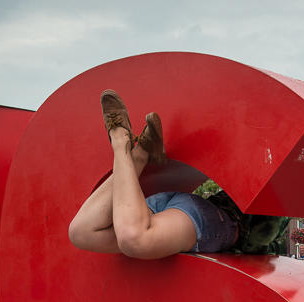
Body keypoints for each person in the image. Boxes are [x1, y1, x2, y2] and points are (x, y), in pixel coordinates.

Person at [70, 91, 284, 259]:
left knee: (81, 232)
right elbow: (260, 240)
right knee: (132, 237)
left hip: (180, 209)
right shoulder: (280, 192)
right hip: (214, 219)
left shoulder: (274, 177)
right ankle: (125, 146)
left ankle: (136, 152)